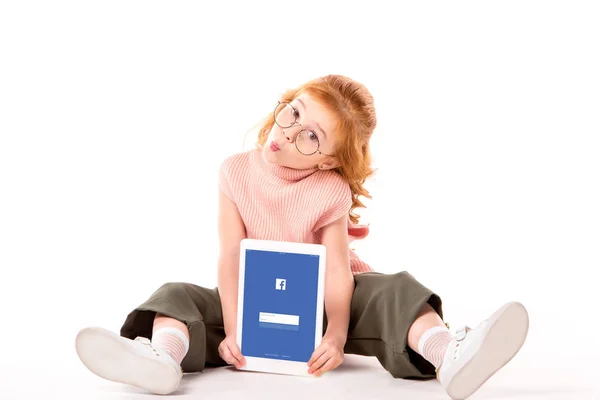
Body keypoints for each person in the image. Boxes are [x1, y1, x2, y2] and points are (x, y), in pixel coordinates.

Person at [75, 74, 529, 399]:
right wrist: (234, 330)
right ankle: (163, 358)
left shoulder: (329, 188)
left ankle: (448, 352)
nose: (289, 132)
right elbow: (230, 255)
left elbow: (336, 269)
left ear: (329, 161)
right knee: (177, 296)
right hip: (252, 300)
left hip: (329, 301)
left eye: (310, 136)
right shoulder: (235, 172)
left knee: (392, 290)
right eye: (293, 113)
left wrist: (334, 333)